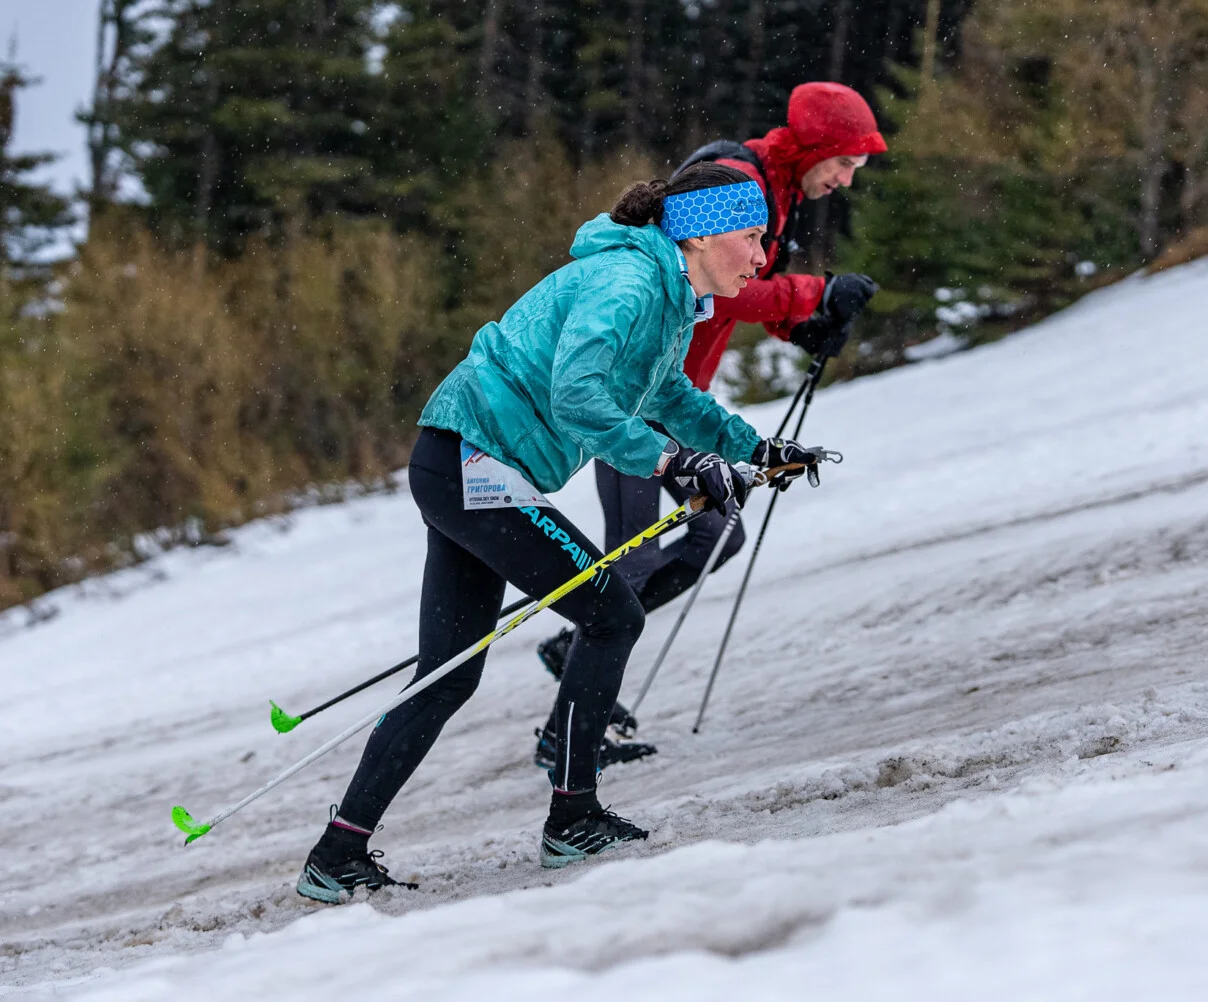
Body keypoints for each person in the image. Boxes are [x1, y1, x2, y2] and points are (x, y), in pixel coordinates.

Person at [295, 162, 832, 901]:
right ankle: (572, 817)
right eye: (752, 236)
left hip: (463, 462)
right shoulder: (630, 283)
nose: (762, 254)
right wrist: (678, 460)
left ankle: (337, 853)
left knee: (449, 674)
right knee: (611, 613)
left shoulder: (667, 295)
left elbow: (668, 393)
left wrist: (754, 448)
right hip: (475, 466)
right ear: (704, 234)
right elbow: (576, 397)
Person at [532, 82, 887, 764]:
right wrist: (812, 292)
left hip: (675, 397)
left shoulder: (776, 194)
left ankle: (574, 648)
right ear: (815, 148)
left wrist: (801, 327)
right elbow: (718, 289)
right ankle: (567, 735)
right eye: (843, 163)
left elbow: (729, 294)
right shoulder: (744, 179)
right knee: (631, 557)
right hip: (633, 399)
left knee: (716, 533)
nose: (844, 180)